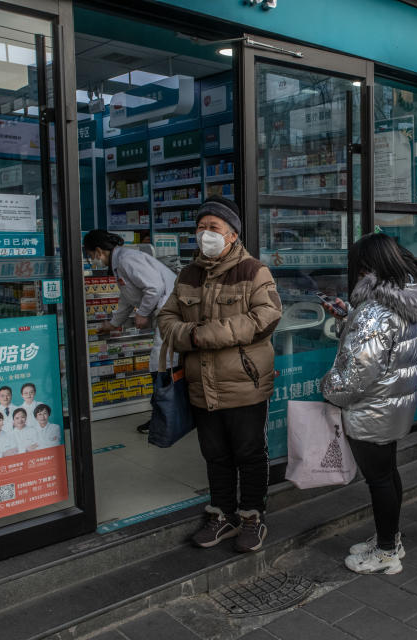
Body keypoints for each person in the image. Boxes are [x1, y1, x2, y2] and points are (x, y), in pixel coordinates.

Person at [159, 196, 282, 553]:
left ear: (232, 234)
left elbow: (267, 316)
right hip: (202, 385)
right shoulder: (188, 274)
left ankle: (252, 517)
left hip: (244, 383)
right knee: (215, 455)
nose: (204, 235)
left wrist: (205, 335)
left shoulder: (253, 271)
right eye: (200, 228)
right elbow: (166, 319)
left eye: (213, 228)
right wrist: (188, 335)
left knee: (249, 453)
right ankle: (223, 515)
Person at [320, 234, 417, 575]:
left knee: (379, 480)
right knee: (387, 474)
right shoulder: (401, 298)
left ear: (365, 266)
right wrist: (350, 317)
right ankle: (391, 539)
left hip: (370, 409)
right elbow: (384, 347)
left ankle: (386, 551)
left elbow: (357, 371)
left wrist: (329, 389)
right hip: (392, 405)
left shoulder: (374, 310)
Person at [84, 228, 178, 434]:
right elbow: (127, 297)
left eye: (91, 256)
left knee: (160, 363)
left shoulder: (127, 259)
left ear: (99, 251)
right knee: (164, 362)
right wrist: (113, 323)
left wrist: (143, 313)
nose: (93, 261)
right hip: (167, 311)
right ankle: (164, 417)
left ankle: (165, 419)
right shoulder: (121, 263)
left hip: (170, 310)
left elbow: (154, 287)